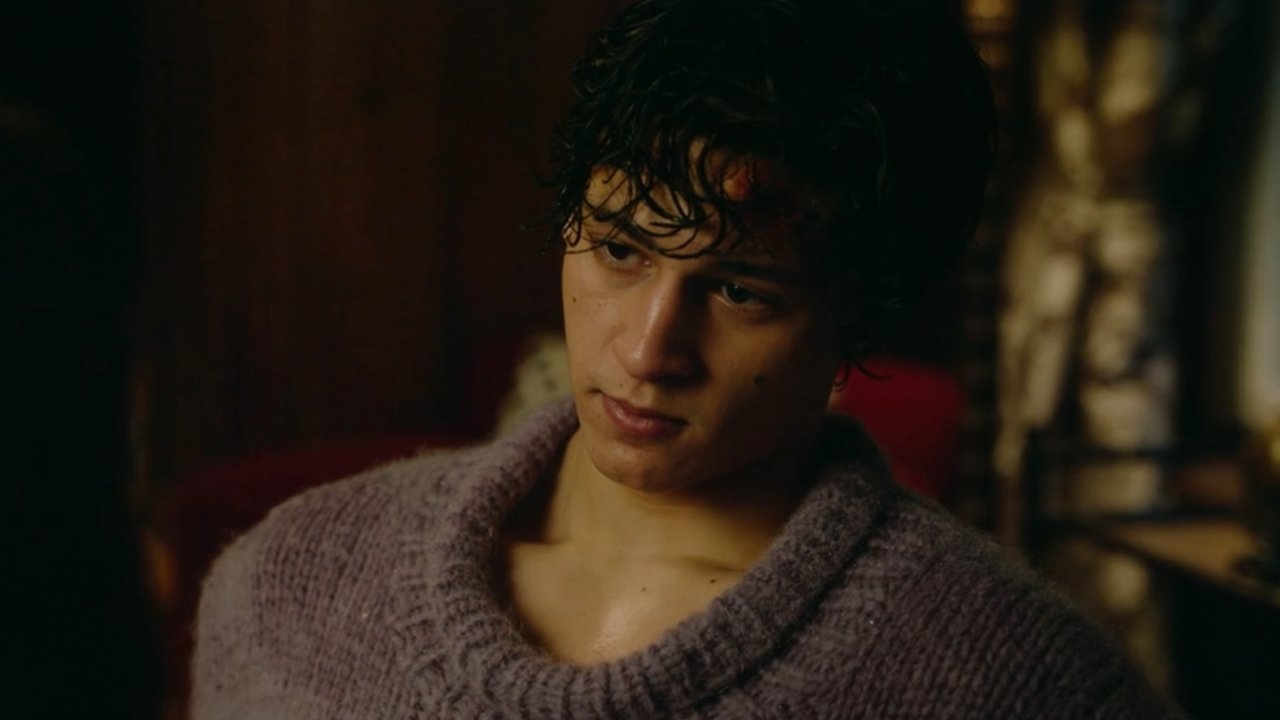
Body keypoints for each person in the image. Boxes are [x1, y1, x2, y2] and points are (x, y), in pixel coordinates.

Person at [193, 0, 1182, 717]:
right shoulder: (291, 584)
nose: (647, 348)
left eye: (741, 291)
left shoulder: (1018, 681)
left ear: (858, 316)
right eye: (620, 250)